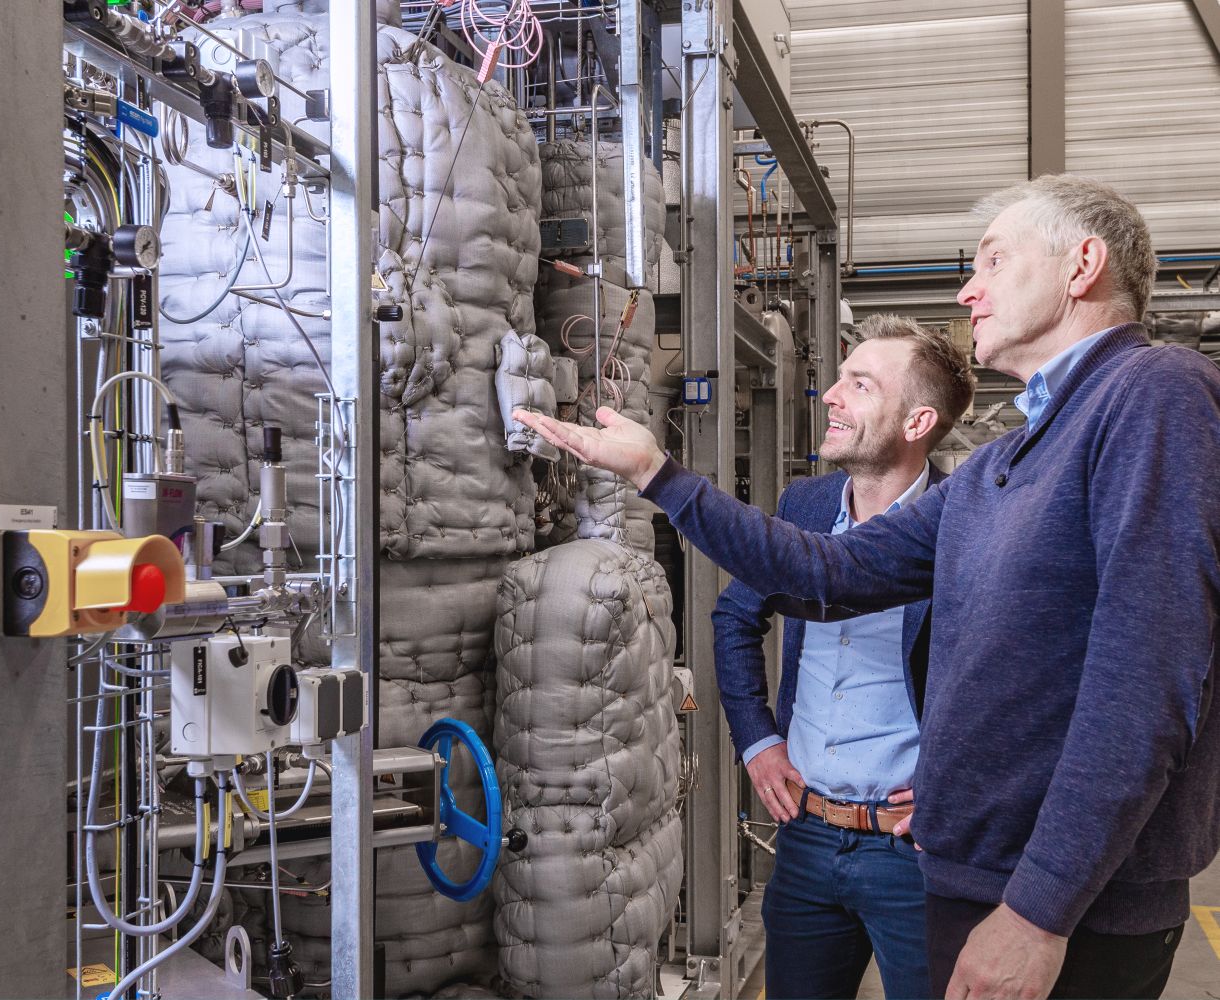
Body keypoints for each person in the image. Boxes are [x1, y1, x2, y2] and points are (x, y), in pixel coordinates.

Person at [513, 174, 1220, 1000]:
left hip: (1065, 909)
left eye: (995, 260)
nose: (969, 288)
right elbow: (828, 572)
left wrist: (1038, 913)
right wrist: (657, 474)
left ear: (1082, 266)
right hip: (972, 876)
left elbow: (1143, 687)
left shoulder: (1153, 394)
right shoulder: (1006, 464)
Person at [720, 315, 973, 999]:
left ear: (917, 422)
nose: (829, 395)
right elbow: (735, 615)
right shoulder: (805, 504)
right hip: (806, 838)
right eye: (837, 379)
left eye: (858, 385)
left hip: (915, 854)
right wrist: (758, 740)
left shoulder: (967, 522)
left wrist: (967, 780)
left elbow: (1020, 670)